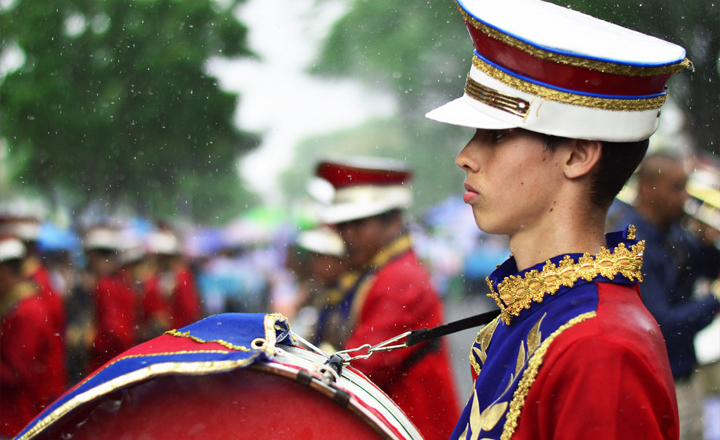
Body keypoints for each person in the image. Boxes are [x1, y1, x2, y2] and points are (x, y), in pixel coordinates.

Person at [424, 0, 691, 437]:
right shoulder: (540, 315)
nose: (465, 156)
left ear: (577, 155)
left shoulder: (599, 347)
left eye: (496, 135)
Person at [312, 156, 460, 440]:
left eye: (358, 224)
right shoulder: (375, 273)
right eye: (342, 226)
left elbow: (357, 367)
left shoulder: (400, 279)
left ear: (392, 222)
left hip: (412, 427)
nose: (347, 235)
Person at [616, 154, 720, 440]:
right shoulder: (634, 244)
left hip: (686, 373)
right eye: (676, 188)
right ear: (648, 187)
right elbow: (663, 326)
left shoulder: (673, 232)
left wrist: (708, 245)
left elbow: (703, 267)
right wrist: (714, 299)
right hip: (662, 383)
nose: (685, 197)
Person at [0, 237, 55, 438]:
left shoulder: (25, 312)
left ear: (6, 271)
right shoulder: (17, 307)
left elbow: (15, 374)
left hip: (16, 422)